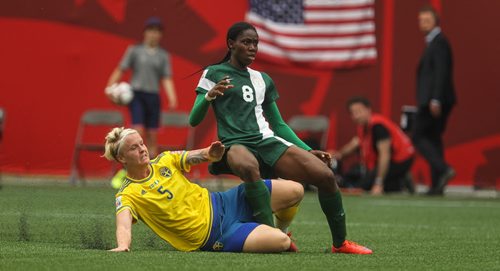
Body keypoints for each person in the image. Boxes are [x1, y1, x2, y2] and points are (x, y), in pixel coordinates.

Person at [189, 22, 372, 254]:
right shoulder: (213, 73)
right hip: (234, 144)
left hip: (266, 141)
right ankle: (272, 237)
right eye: (246, 42)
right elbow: (194, 120)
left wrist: (306, 150)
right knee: (247, 165)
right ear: (231, 44)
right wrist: (209, 97)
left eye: (255, 43)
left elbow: (278, 124)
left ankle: (341, 244)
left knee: (325, 176)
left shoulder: (262, 79)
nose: (252, 47)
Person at [103, 127, 302, 253]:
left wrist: (210, 153)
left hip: (225, 201)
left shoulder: (165, 159)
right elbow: (123, 225)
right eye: (134, 148)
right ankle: (272, 231)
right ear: (122, 159)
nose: (142, 149)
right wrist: (123, 245)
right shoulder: (127, 194)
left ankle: (280, 227)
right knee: (281, 242)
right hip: (218, 234)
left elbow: (198, 155)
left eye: (142, 143)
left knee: (296, 191)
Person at [106, 16, 178, 158]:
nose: (154, 34)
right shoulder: (135, 50)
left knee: (152, 135)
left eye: (157, 31)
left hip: (153, 97)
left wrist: (172, 97)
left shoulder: (163, 55)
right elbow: (121, 69)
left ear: (160, 35)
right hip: (136, 95)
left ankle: (151, 169)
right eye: (151, 30)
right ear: (145, 32)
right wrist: (109, 87)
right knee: (137, 132)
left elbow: (166, 78)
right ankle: (132, 169)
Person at [332, 97, 415, 195]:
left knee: (363, 186)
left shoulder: (378, 127)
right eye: (352, 113)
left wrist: (378, 183)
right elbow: (354, 144)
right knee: (374, 184)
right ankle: (399, 183)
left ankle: (401, 180)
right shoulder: (364, 127)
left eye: (359, 111)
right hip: (393, 159)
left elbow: (385, 156)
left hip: (401, 159)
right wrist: (337, 155)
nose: (356, 116)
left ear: (368, 110)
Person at [415, 6, 456, 195]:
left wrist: (436, 99)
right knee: (433, 139)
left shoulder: (439, 42)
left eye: (427, 20)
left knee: (417, 136)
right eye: (421, 20)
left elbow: (442, 72)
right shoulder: (433, 42)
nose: (423, 23)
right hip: (433, 99)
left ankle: (443, 169)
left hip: (434, 100)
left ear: (435, 21)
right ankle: (437, 185)